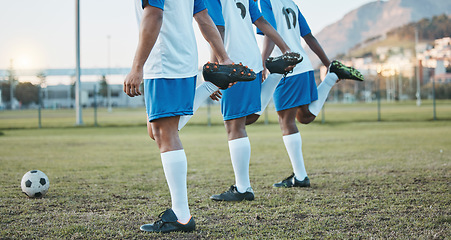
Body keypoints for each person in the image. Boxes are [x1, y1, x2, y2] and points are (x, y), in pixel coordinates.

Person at [124, 0, 238, 233]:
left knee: (165, 133)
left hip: (164, 61)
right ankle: (209, 86)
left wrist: (137, 67)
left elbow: (154, 15)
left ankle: (181, 215)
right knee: (156, 131)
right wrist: (224, 57)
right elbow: (204, 17)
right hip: (185, 61)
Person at [245, 0, 364, 188]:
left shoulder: (265, 1)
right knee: (305, 116)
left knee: (286, 121)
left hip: (287, 66)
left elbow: (269, 31)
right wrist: (327, 64)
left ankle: (300, 177)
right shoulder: (290, 4)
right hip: (304, 64)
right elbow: (309, 37)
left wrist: (263, 62)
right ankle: (332, 76)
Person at [201, 0, 297, 202]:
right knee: (247, 119)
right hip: (252, 60)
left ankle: (243, 188)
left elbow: (217, 27)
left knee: (234, 126)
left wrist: (215, 65)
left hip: (233, 62)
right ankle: (276, 74)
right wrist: (285, 47)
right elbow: (261, 21)